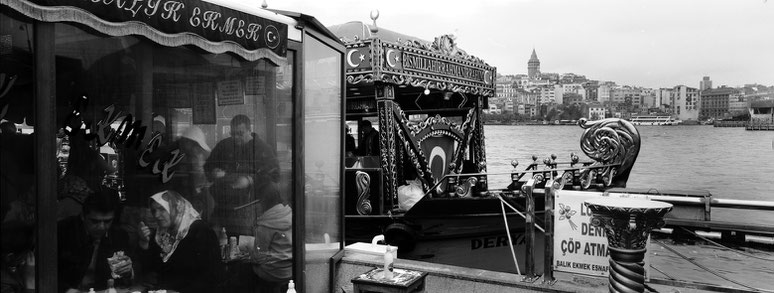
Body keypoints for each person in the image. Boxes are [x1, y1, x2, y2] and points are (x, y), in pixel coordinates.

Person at [204, 115, 279, 234]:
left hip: (250, 207)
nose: (236, 137)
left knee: (243, 242)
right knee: (213, 235)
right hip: (223, 205)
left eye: (240, 133)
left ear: (249, 130)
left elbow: (274, 174)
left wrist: (250, 180)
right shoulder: (224, 146)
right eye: (233, 133)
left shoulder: (262, 148)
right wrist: (213, 171)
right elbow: (208, 166)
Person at [137, 190, 224, 293]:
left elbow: (211, 276)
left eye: (162, 209)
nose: (157, 215)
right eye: (154, 210)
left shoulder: (201, 230)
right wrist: (144, 242)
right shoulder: (159, 234)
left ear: (177, 208)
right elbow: (150, 270)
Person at [58, 189, 135, 293]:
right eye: (95, 221)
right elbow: (47, 273)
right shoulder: (63, 232)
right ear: (83, 216)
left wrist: (128, 273)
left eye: (107, 221)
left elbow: (126, 281)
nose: (101, 227)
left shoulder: (119, 236)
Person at [250, 183, 292, 293]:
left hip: (273, 273)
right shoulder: (289, 214)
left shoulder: (265, 223)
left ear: (262, 201)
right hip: (290, 270)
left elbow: (259, 256)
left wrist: (251, 254)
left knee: (246, 271)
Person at [170, 126, 213, 221]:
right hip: (179, 196)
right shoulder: (176, 154)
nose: (197, 150)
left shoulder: (194, 154)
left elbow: (199, 177)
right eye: (196, 146)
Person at [1, 221, 34, 293]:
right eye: (26, 252)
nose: (30, 255)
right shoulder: (5, 285)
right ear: (9, 257)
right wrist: (30, 284)